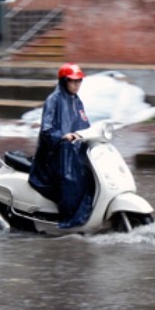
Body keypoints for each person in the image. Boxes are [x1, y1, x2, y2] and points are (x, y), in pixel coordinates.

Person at [28, 63, 94, 228]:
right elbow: (46, 130)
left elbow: (85, 125)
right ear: (64, 81)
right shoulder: (54, 100)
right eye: (73, 81)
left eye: (79, 81)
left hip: (71, 153)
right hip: (54, 155)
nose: (76, 84)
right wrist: (62, 136)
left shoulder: (77, 101)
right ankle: (68, 218)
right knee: (71, 180)